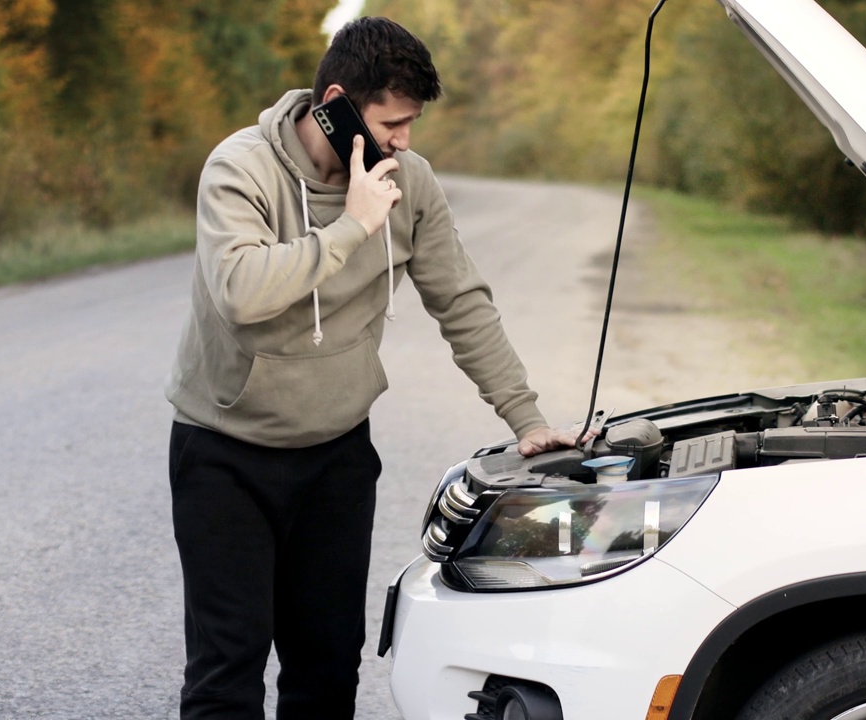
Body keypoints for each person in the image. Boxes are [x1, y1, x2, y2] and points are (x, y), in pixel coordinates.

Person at [163, 16, 581, 720]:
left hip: (335, 458)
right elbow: (240, 293)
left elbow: (461, 301)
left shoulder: (408, 183)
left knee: (326, 664)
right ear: (335, 103)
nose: (404, 141)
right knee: (227, 669)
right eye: (393, 123)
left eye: (411, 123)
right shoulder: (241, 168)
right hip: (226, 456)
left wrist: (526, 417)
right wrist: (353, 225)